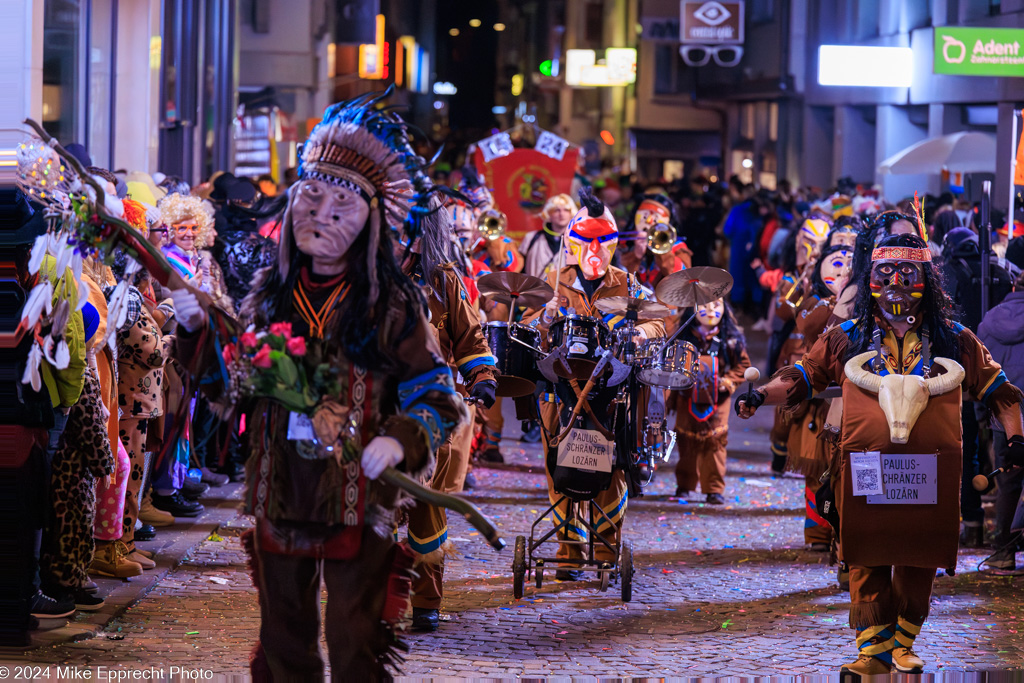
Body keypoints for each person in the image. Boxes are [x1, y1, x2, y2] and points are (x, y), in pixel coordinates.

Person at [169, 92, 467, 679]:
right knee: (283, 641)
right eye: (312, 197)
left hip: (362, 494)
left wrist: (401, 439)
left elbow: (439, 396)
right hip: (283, 489)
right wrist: (195, 332)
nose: (321, 215)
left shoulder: (393, 304)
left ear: (372, 221)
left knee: (356, 637)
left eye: (342, 204)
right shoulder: (267, 297)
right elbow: (232, 390)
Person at [736, 232, 1024, 675]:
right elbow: (803, 375)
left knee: (919, 555)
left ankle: (904, 641)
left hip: (928, 473)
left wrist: (1017, 437)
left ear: (925, 278)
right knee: (867, 553)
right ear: (870, 277)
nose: (895, 283)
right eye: (884, 273)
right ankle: (872, 651)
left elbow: (1000, 391)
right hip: (866, 469)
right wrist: (760, 396)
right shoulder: (845, 338)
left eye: (906, 273)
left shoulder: (955, 340)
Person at [526, 188, 666, 580]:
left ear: (612, 244)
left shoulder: (628, 283)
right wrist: (544, 317)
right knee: (561, 471)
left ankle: (606, 551)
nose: (594, 250)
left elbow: (658, 319)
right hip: (560, 392)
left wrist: (641, 332)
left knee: (610, 472)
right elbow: (528, 324)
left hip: (611, 395)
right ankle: (569, 555)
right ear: (572, 243)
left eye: (602, 242)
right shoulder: (553, 283)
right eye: (585, 241)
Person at [399, 199, 498, 632]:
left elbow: (470, 337)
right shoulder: (363, 279)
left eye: (415, 230)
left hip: (431, 410)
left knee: (426, 505)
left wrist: (482, 375)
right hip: (374, 408)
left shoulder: (443, 281)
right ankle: (368, 597)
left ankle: (425, 601)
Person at [941, 226, 1015, 546]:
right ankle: (1000, 531)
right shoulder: (1002, 272)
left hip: (961, 372)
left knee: (965, 449)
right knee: (1003, 455)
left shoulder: (949, 272)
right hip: (998, 372)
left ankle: (971, 524)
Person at [668, 298, 750, 503]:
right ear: (693, 309)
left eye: (717, 305)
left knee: (715, 445)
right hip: (687, 398)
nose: (711, 310)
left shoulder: (730, 339)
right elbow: (669, 365)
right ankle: (684, 485)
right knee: (686, 443)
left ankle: (714, 489)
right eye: (704, 305)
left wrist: (728, 381)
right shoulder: (683, 337)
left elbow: (742, 366)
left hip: (717, 400)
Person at [977, 270, 1024, 570]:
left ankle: (1003, 551)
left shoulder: (989, 321)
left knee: (1007, 484)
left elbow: (978, 372)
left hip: (1003, 416)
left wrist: (983, 415)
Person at [520, 193, 576, 279]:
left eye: (566, 210)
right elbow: (519, 268)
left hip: (563, 291)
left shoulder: (576, 241)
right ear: (548, 213)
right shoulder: (531, 238)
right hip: (533, 290)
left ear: (571, 213)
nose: (561, 214)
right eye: (556, 210)